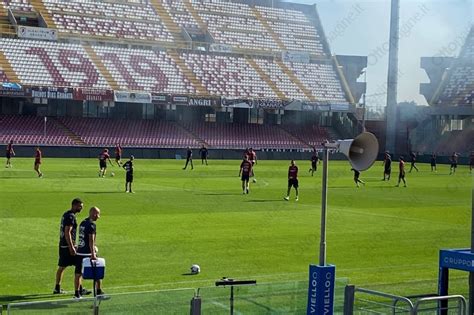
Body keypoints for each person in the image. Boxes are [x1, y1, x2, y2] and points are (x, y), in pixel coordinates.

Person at [54, 198, 90, 296]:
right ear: (74, 205)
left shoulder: (66, 214)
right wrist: (71, 247)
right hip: (68, 246)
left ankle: (57, 287)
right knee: (79, 267)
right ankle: (79, 289)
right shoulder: (70, 217)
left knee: (62, 267)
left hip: (63, 245)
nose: (81, 208)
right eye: (80, 206)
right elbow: (67, 232)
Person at [75, 206, 104, 298]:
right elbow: (91, 240)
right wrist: (93, 253)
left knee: (78, 273)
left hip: (79, 251)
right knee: (97, 271)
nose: (98, 217)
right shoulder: (91, 225)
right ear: (94, 214)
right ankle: (99, 291)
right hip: (87, 253)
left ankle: (77, 294)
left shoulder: (83, 222)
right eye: (98, 214)